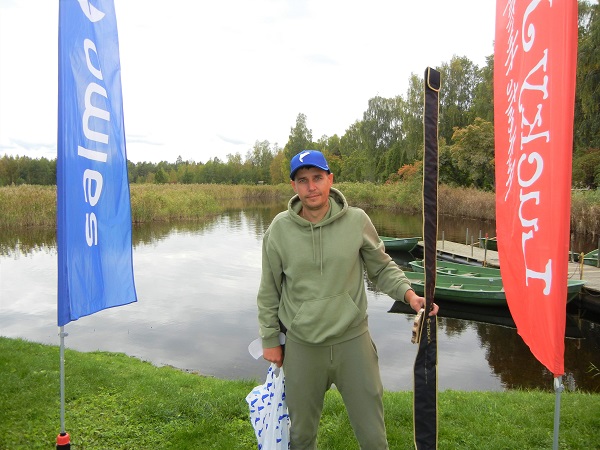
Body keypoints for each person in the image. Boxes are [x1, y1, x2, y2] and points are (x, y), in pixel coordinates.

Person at [255, 149, 439, 450]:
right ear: (294, 186)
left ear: (330, 179)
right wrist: (269, 339)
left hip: (353, 342)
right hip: (302, 346)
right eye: (303, 180)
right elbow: (268, 290)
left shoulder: (357, 221)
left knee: (373, 437)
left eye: (317, 178)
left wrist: (410, 295)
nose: (311, 187)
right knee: (301, 436)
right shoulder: (279, 229)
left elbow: (382, 268)